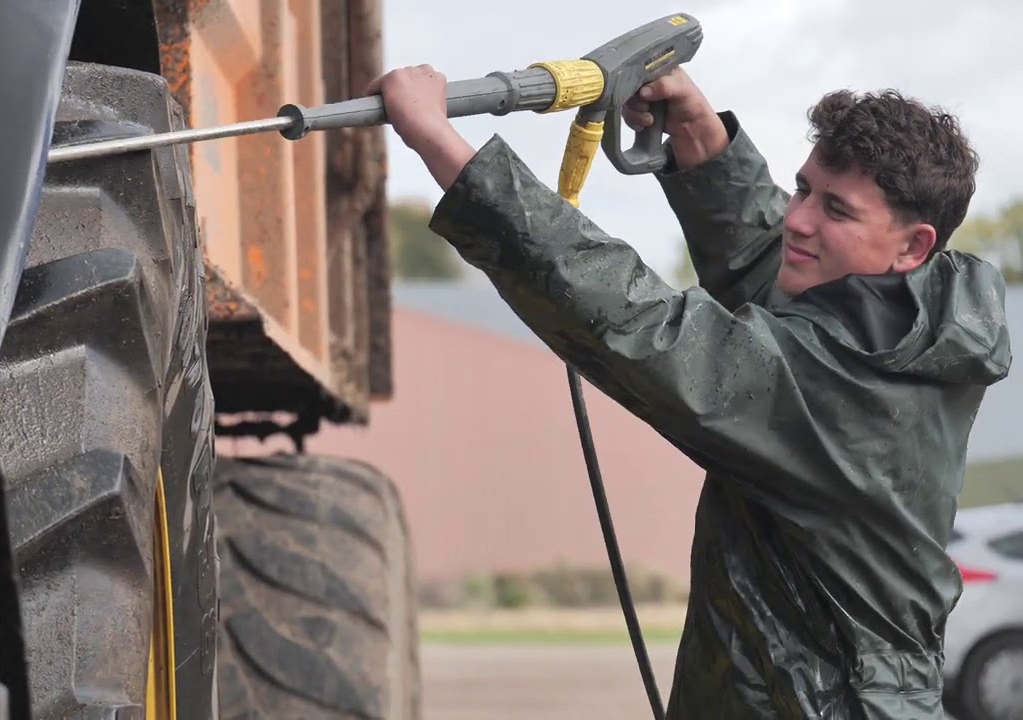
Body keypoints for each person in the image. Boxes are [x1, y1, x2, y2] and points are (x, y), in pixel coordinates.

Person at [366, 64, 1011, 718]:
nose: (799, 220)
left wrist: (440, 144)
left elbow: (639, 324)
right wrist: (699, 133)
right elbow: (769, 270)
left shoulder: (846, 390)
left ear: (912, 246)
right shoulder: (896, 327)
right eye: (803, 189)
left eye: (835, 208)